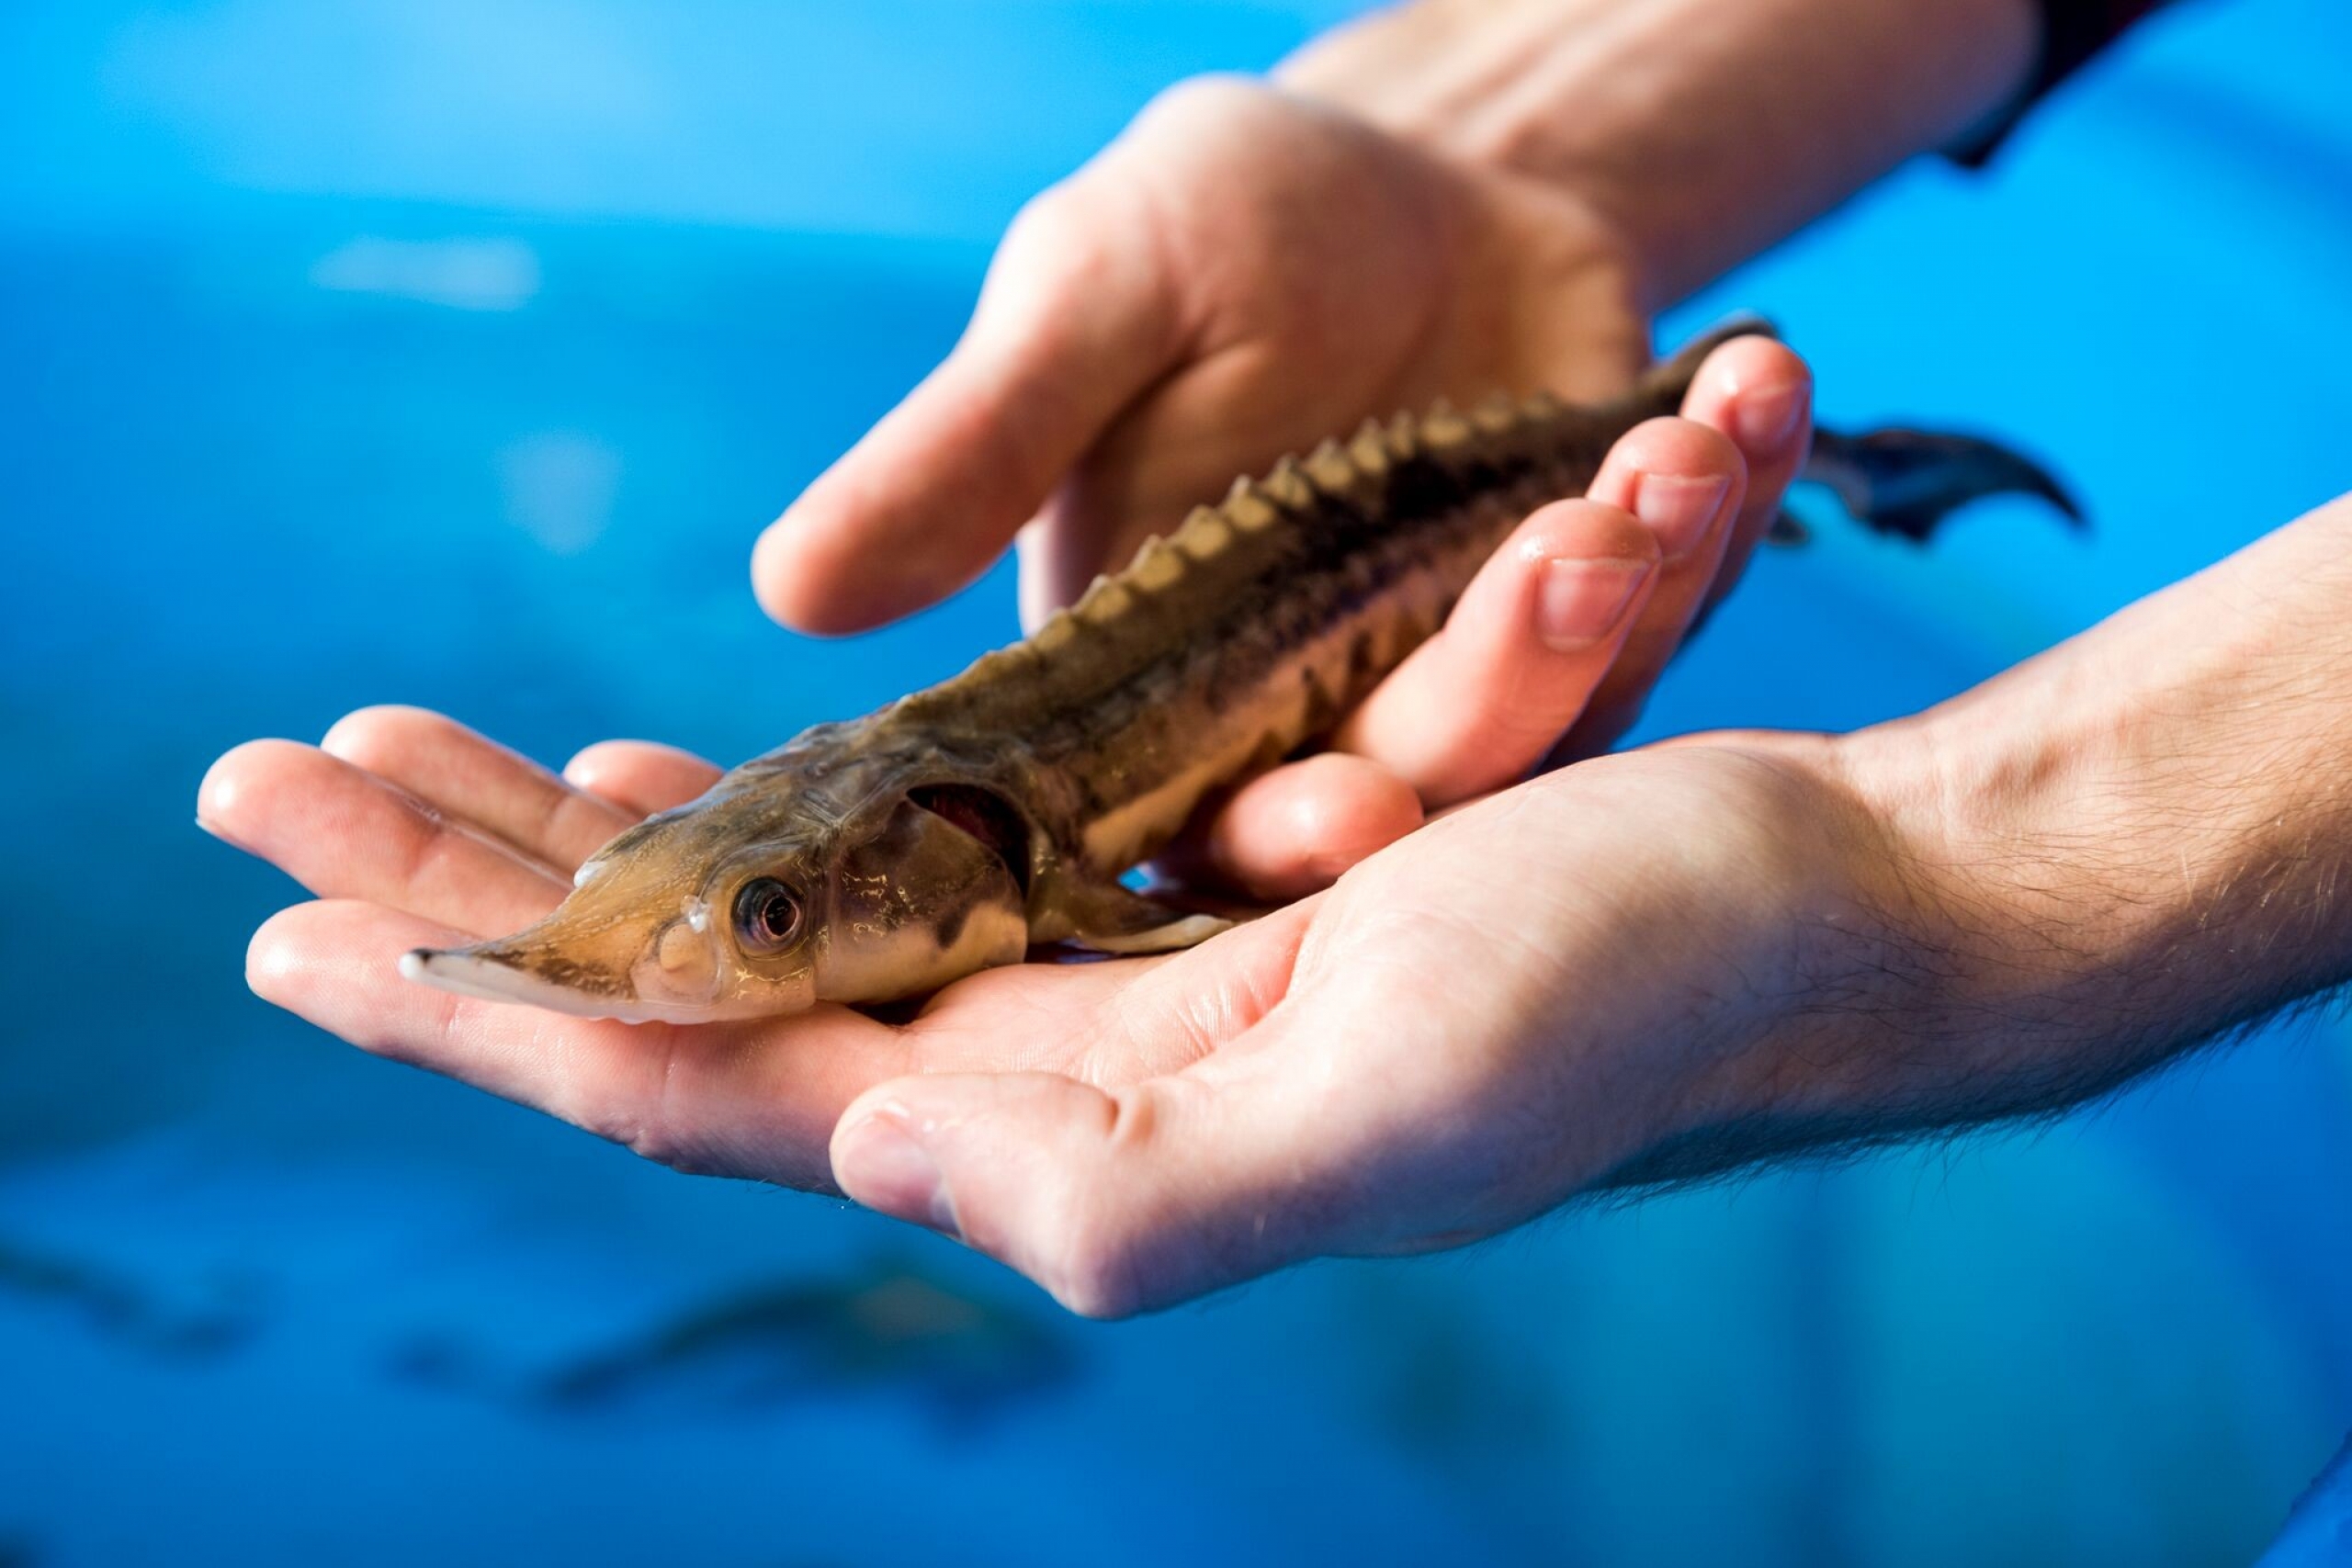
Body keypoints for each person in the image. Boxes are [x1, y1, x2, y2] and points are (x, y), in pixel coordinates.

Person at [196, 0, 2347, 1332]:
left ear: (947, 862)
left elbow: (1140, 901)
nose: (706, 949)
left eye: (760, 910)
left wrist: (1927, 879)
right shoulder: (955, 827)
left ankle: (1825, 466)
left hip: (1456, 489)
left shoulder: (1013, 865)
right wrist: (1491, 147)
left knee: (1625, 497)